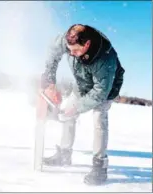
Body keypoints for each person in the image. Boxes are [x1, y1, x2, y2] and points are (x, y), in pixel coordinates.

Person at [40, 24, 125, 185]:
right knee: (66, 113)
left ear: (87, 45)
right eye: (69, 49)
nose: (71, 54)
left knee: (99, 118)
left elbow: (100, 93)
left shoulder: (105, 58)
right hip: (82, 83)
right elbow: (52, 51)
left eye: (76, 50)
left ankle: (100, 166)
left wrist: (78, 108)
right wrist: (50, 80)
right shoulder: (68, 41)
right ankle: (64, 154)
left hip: (106, 88)